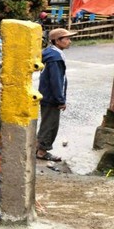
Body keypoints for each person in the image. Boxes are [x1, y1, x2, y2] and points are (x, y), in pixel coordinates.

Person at [36, 28, 77, 162]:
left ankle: (39, 147)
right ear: (57, 41)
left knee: (47, 122)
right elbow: (56, 80)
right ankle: (42, 152)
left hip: (46, 94)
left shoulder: (50, 53)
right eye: (66, 39)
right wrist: (60, 100)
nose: (69, 41)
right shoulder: (55, 57)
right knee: (51, 125)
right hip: (51, 97)